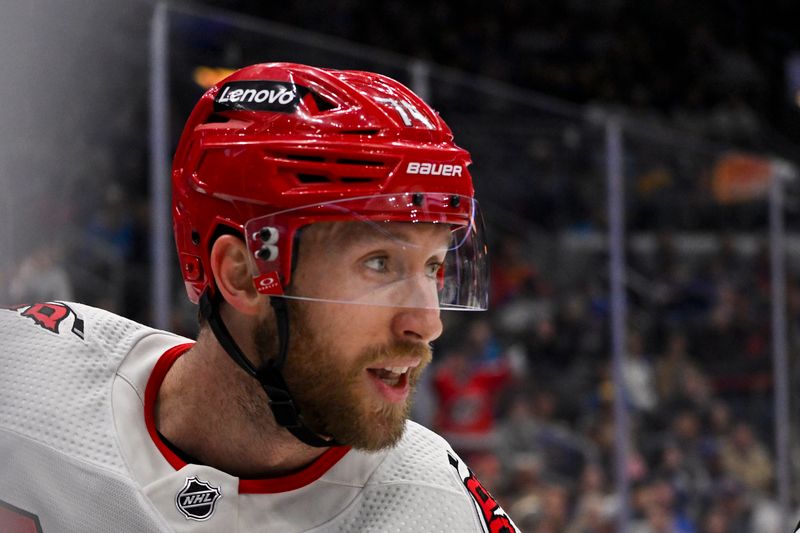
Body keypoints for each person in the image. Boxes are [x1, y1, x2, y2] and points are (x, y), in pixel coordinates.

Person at [0, 63, 519, 532]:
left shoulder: (437, 507)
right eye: (379, 263)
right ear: (243, 275)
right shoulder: (23, 380)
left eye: (433, 266)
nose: (428, 323)